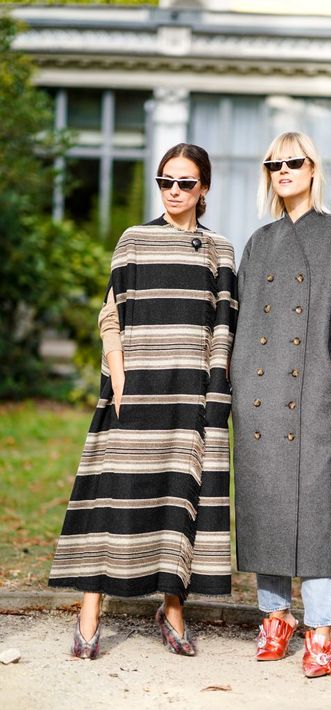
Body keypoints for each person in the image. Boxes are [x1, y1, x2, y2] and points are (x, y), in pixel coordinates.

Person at [49, 143, 237, 659]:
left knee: (178, 495)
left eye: (185, 183)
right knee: (116, 493)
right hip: (134, 385)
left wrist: (213, 393)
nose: (174, 191)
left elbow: (224, 326)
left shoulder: (220, 248)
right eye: (166, 181)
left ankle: (172, 606)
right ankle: (90, 610)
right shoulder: (134, 240)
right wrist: (118, 372)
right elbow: (111, 312)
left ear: (204, 189)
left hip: (189, 390)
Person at [230, 131, 331, 678]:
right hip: (258, 399)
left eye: (293, 162)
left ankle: (320, 629)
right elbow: (240, 318)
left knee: (318, 509)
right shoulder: (259, 242)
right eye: (274, 163)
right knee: (266, 504)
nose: (283, 170)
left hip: (317, 398)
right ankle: (274, 617)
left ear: (314, 169)